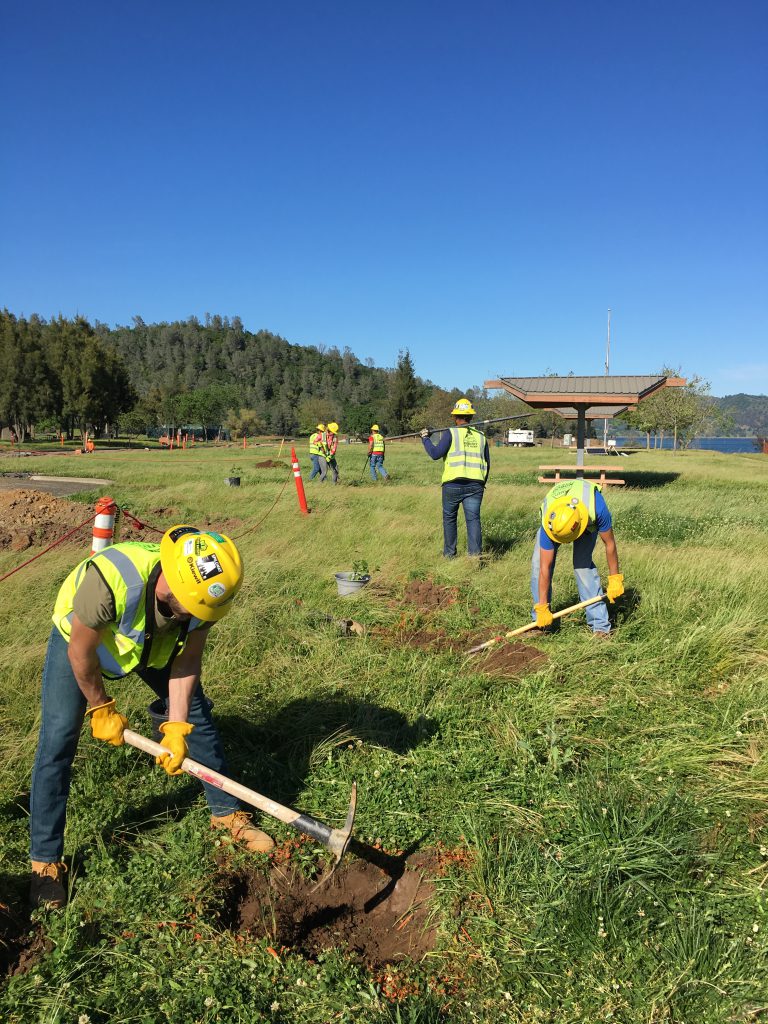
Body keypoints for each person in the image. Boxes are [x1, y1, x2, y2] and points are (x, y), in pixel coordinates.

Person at [29, 525, 274, 910]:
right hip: (82, 644)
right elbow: (81, 654)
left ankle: (227, 814)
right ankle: (44, 861)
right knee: (58, 739)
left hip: (153, 649)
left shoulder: (204, 600)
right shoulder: (108, 583)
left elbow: (188, 661)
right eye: (193, 610)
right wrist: (101, 707)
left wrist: (176, 726)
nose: (199, 618)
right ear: (170, 587)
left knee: (198, 716)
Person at [531, 479, 625, 636]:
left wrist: (615, 578)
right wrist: (542, 607)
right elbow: (544, 567)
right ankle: (540, 621)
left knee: (583, 566)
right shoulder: (549, 523)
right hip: (557, 522)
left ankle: (600, 626)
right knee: (537, 565)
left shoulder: (597, 508)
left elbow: (609, 544)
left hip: (585, 522)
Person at [420, 398, 490, 557]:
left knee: (450, 520)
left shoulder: (450, 432)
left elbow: (435, 454)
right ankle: (475, 557)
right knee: (473, 520)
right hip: (476, 485)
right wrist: (481, 483)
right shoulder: (481, 436)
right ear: (471, 416)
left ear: (455, 416)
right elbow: (487, 463)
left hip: (452, 485)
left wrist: (425, 439)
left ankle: (450, 555)